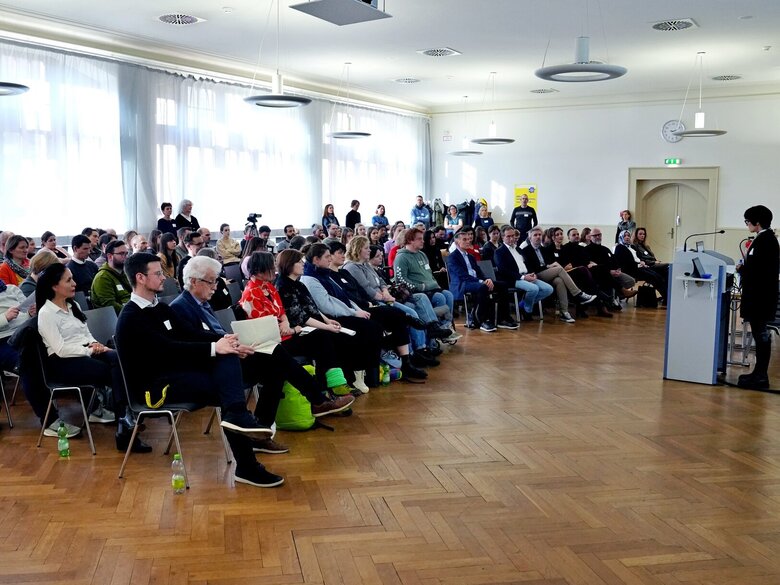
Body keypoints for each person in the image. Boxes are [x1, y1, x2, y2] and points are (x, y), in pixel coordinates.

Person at [116, 252, 283, 487]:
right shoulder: (131, 316)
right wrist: (217, 347)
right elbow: (168, 349)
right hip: (155, 389)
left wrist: (225, 340)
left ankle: (245, 454)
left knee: (228, 367)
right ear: (140, 278)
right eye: (158, 273)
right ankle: (246, 459)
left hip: (177, 375)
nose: (164, 277)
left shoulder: (159, 308)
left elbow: (189, 333)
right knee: (227, 381)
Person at [172, 255, 354, 452]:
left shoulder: (201, 303)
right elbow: (196, 342)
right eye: (211, 281)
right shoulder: (180, 308)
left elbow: (214, 334)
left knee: (275, 366)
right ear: (193, 281)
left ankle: (263, 430)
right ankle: (317, 400)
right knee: (276, 357)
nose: (215, 286)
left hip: (230, 356)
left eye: (216, 280)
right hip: (216, 367)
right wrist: (231, 344)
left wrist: (233, 341)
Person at [34, 263, 140, 450]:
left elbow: (85, 333)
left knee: (121, 359)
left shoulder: (72, 304)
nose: (74, 283)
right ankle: (125, 416)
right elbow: (60, 349)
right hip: (63, 364)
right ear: (54, 286)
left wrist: (95, 344)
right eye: (69, 280)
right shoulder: (46, 313)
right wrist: (90, 350)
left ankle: (124, 416)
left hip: (85, 353)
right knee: (112, 369)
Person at [326, 241, 429, 380]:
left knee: (395, 315)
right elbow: (346, 297)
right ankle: (405, 345)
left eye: (343, 252)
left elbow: (361, 290)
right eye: (339, 253)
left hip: (366, 305)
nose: (343, 255)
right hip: (355, 310)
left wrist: (372, 301)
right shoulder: (331, 276)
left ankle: (406, 361)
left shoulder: (344, 272)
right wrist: (367, 303)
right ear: (330, 256)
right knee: (394, 314)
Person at [736, 205, 779, 390]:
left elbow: (761, 270)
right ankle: (758, 373)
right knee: (758, 333)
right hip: (759, 295)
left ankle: (761, 376)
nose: (747, 224)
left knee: (761, 335)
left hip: (760, 297)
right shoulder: (764, 238)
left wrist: (743, 269)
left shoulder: (767, 240)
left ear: (757, 222)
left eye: (747, 221)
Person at [447, 228, 517, 332]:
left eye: (468, 239)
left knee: (502, 285)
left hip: (476, 281)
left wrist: (487, 279)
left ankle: (503, 318)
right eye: (464, 239)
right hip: (462, 284)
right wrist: (482, 281)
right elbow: (462, 275)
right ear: (457, 242)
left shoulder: (470, 256)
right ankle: (482, 320)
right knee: (483, 286)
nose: (468, 241)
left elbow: (479, 272)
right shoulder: (452, 257)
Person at [521, 226, 596, 323]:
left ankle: (564, 312)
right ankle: (578, 293)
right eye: (535, 235)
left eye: (539, 235)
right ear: (530, 238)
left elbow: (547, 262)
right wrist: (548, 266)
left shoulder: (543, 249)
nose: (538, 237)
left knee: (559, 281)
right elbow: (532, 268)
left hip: (546, 272)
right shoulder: (526, 250)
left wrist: (549, 266)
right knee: (559, 269)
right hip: (535, 274)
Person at [494, 225, 554, 322]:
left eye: (513, 236)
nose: (511, 238)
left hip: (526, 276)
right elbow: (503, 270)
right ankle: (528, 310)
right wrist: (523, 277)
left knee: (548, 289)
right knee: (534, 288)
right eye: (508, 236)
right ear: (502, 237)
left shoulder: (518, 249)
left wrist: (532, 273)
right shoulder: (499, 252)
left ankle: (522, 305)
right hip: (513, 279)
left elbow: (527, 263)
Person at [614, 229, 669, 305]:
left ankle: (667, 297)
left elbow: (636, 258)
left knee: (657, 275)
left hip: (638, 267)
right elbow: (625, 263)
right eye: (625, 236)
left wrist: (641, 262)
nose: (627, 237)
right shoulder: (619, 247)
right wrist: (639, 263)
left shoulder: (631, 247)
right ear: (621, 237)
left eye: (628, 235)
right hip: (631, 270)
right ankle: (667, 298)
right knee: (653, 276)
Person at [585, 228, 636, 303]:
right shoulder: (586, 250)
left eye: (599, 235)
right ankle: (617, 295)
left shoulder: (605, 249)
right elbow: (594, 266)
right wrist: (609, 271)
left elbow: (614, 261)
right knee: (608, 279)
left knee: (631, 281)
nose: (597, 237)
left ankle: (618, 294)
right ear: (590, 237)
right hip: (600, 275)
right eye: (595, 235)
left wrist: (618, 269)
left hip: (614, 272)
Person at [90, 240, 132, 314]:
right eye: (122, 254)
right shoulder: (102, 277)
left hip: (129, 311)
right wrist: (133, 312)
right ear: (110, 256)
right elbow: (110, 305)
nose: (126, 257)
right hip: (116, 318)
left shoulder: (124, 273)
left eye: (126, 253)